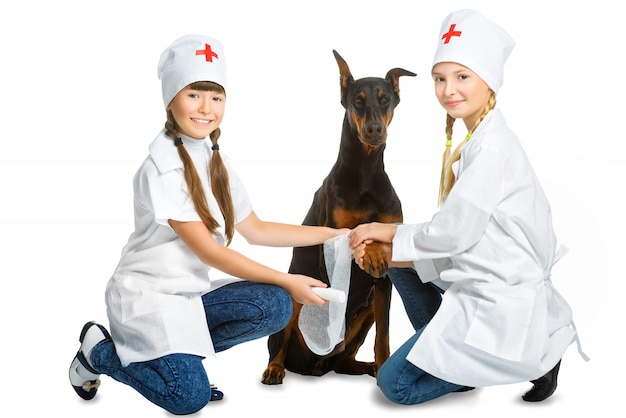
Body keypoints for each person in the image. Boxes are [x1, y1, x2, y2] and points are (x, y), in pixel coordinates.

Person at [68, 34, 348, 415]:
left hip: (187, 296)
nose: (206, 108)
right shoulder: (163, 167)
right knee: (188, 397)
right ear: (171, 100)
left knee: (275, 305)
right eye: (194, 95)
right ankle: (99, 353)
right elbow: (210, 251)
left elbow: (257, 230)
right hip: (148, 299)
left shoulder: (213, 156)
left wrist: (334, 234)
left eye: (216, 97)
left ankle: (177, 360)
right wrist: (288, 278)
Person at [348, 9, 588, 405]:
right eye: (440, 79)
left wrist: (385, 233)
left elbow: (452, 234)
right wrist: (387, 239)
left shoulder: (492, 147)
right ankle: (452, 359)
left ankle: (533, 360)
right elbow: (453, 227)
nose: (448, 90)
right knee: (396, 262)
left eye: (462, 77)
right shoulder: (479, 139)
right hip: (480, 269)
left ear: (487, 82)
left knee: (395, 386)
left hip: (498, 293)